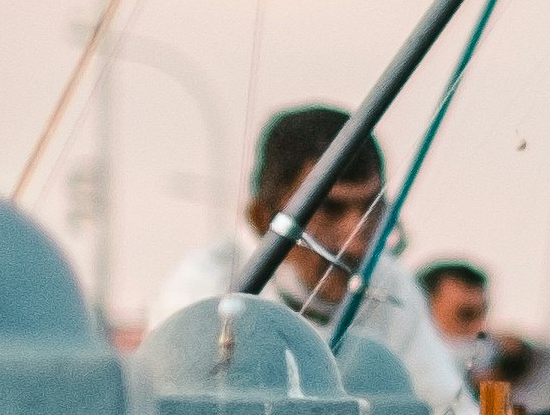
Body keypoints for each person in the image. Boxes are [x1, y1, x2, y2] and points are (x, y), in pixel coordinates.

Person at [150, 103, 391, 330]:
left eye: (372, 208)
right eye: (330, 209)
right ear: (262, 218)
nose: (357, 245)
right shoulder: (199, 297)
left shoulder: (392, 285)